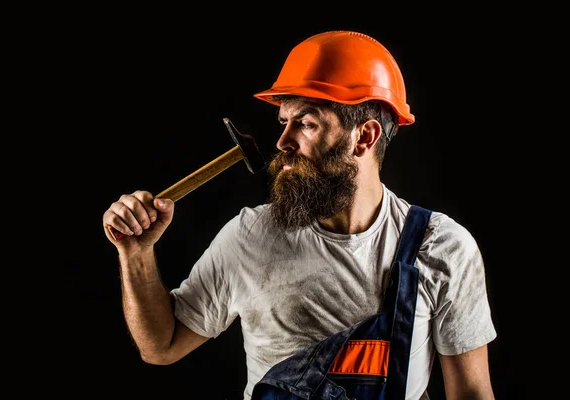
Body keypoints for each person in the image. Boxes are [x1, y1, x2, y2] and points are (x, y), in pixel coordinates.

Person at [102, 30, 497, 399]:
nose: (283, 141)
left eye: (305, 123)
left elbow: (472, 394)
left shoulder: (440, 248)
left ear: (365, 136)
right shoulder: (250, 236)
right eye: (283, 122)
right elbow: (161, 346)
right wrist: (136, 254)